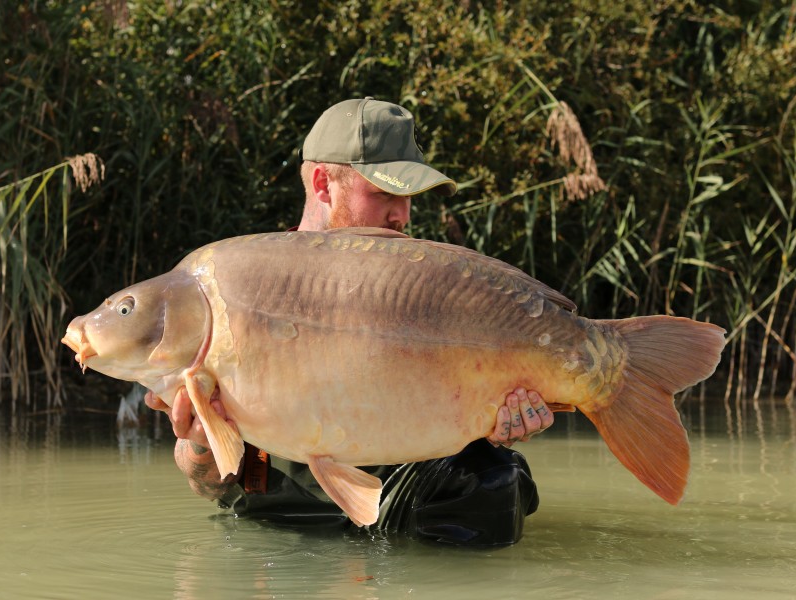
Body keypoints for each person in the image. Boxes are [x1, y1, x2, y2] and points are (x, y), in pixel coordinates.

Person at [145, 98, 555, 545]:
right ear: (323, 184)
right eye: (384, 194)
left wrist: (500, 421)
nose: (402, 215)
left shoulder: (423, 289)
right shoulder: (236, 290)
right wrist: (203, 443)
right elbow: (203, 483)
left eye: (408, 197)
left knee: (497, 478)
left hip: (400, 504)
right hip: (283, 518)